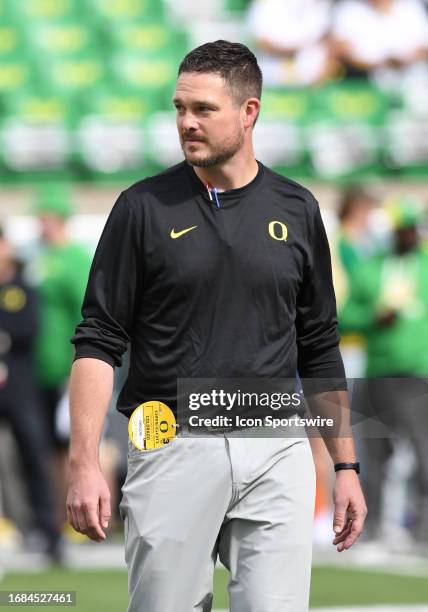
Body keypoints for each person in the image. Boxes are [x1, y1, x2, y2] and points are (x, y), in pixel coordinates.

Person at [67, 41, 366, 612]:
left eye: (203, 109)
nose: (186, 123)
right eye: (180, 108)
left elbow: (320, 347)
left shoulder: (298, 209)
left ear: (249, 112)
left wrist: (346, 466)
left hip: (276, 447)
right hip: (168, 441)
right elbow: (98, 341)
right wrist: (84, 461)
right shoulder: (141, 208)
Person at [340, 197, 428, 550]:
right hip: (377, 371)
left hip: (417, 373)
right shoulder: (371, 267)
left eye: (409, 229)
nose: (405, 236)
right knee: (372, 453)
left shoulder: (425, 265)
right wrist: (373, 319)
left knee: (423, 452)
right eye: (399, 230)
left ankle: (423, 528)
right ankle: (371, 526)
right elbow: (345, 316)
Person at [30, 184, 92, 528]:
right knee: (45, 447)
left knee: (74, 445)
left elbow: (87, 314)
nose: (43, 224)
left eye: (48, 217)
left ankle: (81, 517)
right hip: (39, 369)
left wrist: (78, 366)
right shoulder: (38, 256)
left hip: (69, 369)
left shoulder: (76, 257)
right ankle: (52, 520)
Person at [0, 224, 62, 561]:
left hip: (22, 389)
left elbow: (28, 328)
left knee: (35, 460)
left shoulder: (23, 286)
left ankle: (49, 535)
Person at [332, 0, 428, 85]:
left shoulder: (411, 6)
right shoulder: (349, 9)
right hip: (364, 83)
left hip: (414, 82)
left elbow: (424, 47)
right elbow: (341, 52)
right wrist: (381, 64)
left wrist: (406, 60)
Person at [247, 0, 337, 86]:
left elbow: (328, 40)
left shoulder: (322, 4)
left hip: (311, 81)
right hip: (271, 79)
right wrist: (300, 50)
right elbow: (262, 42)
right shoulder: (267, 4)